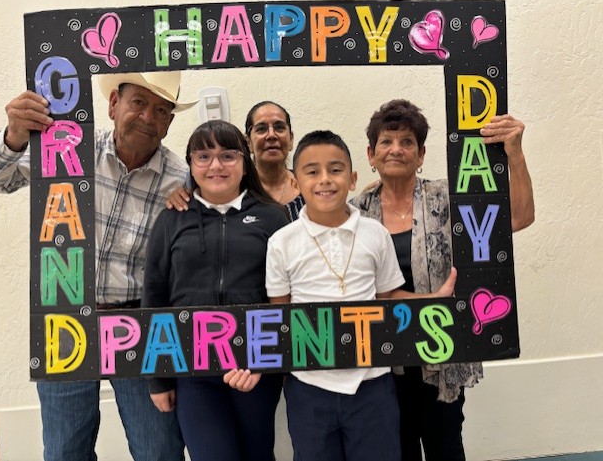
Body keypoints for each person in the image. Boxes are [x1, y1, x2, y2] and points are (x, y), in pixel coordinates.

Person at [0, 71, 195, 461]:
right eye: (138, 103)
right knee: (64, 450)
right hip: (63, 320)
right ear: (112, 105)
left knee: (159, 449)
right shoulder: (66, 149)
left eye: (161, 110)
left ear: (170, 121)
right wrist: (14, 136)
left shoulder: (183, 179)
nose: (148, 117)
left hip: (139, 323)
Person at [349, 99, 535, 461]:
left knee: (446, 447)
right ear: (371, 154)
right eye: (386, 142)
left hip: (443, 355)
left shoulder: (448, 198)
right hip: (382, 361)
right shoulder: (355, 211)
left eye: (407, 142)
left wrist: (514, 154)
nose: (396, 150)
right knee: (394, 450)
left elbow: (519, 217)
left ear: (421, 155)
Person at [265, 130, 456, 461]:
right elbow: (280, 317)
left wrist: (432, 302)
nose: (325, 180)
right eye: (312, 172)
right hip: (309, 387)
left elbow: (389, 295)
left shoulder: (374, 233)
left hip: (373, 383)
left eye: (336, 169)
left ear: (352, 179)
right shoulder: (281, 243)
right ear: (296, 183)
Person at [142, 120, 289, 461]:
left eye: (227, 155)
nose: (216, 166)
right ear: (191, 164)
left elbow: (285, 298)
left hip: (255, 369)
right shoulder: (171, 219)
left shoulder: (272, 217)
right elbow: (154, 296)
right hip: (193, 372)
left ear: (244, 161)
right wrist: (158, 378)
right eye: (203, 156)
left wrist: (267, 362)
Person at [168, 100, 304, 220]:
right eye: (261, 129)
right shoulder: (230, 190)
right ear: (248, 142)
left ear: (291, 139)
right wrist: (179, 197)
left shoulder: (309, 186)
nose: (271, 135)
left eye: (279, 127)